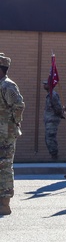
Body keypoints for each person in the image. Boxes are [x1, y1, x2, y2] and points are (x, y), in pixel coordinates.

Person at [0, 53, 25, 215]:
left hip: (6, 134)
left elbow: (19, 106)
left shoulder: (8, 86)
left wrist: (11, 125)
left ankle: (5, 203)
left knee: (5, 167)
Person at [42, 80, 65, 160]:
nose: (44, 85)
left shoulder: (53, 95)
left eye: (46, 84)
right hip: (49, 120)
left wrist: (60, 114)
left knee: (50, 138)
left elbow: (57, 107)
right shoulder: (49, 95)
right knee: (48, 138)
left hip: (52, 120)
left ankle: (54, 157)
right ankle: (53, 156)